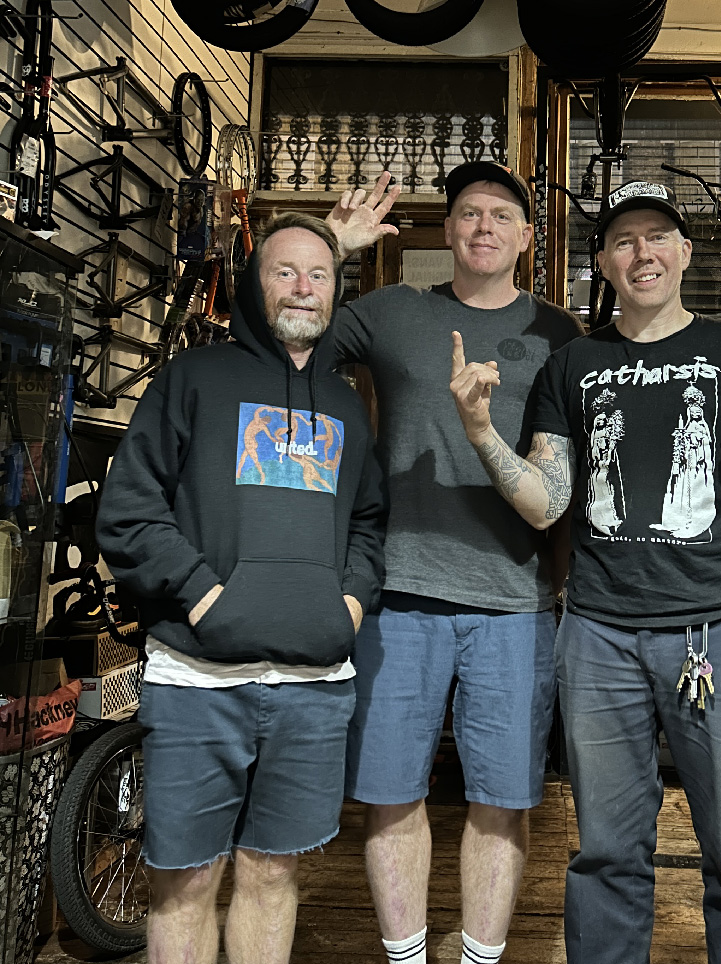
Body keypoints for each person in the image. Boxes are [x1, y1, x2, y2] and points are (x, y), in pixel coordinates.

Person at [450, 179, 721, 964]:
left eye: (658, 236)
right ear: (604, 261)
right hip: (599, 636)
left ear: (684, 252)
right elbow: (547, 502)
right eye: (624, 240)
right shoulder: (573, 365)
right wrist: (481, 435)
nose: (642, 252)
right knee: (606, 849)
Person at [96, 212, 388, 964]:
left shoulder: (347, 404)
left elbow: (369, 523)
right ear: (254, 287)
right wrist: (203, 595)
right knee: (184, 883)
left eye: (318, 275)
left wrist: (348, 606)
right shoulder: (194, 378)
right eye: (284, 271)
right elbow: (129, 511)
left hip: (315, 687)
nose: (303, 287)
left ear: (336, 293)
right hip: (197, 682)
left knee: (272, 874)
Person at [323, 161, 583, 964]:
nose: (483, 226)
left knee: (502, 801)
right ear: (447, 229)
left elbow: (572, 472)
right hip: (398, 593)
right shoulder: (392, 312)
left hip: (517, 600)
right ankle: (405, 958)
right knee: (390, 793)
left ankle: (479, 959)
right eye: (469, 211)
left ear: (527, 237)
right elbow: (279, 338)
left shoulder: (562, 336)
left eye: (501, 214)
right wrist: (331, 248)